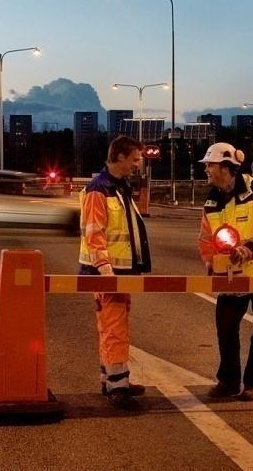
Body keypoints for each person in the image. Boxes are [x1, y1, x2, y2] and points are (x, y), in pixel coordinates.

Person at [197, 142, 253, 402]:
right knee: (225, 328)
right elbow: (205, 238)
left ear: (227, 167)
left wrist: (248, 249)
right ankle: (228, 381)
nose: (207, 170)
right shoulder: (211, 201)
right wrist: (211, 262)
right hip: (231, 275)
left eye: (210, 165)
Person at [78, 135, 151, 411]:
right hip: (108, 272)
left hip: (117, 270)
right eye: (134, 159)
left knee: (110, 325)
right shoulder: (101, 190)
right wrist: (106, 270)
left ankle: (111, 378)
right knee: (114, 326)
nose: (138, 165)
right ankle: (118, 386)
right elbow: (94, 233)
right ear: (119, 157)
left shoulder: (118, 187)